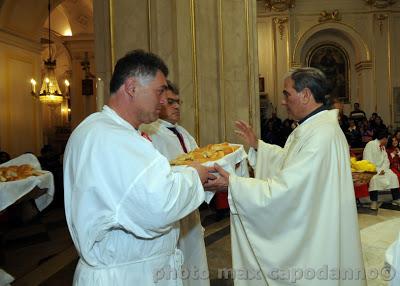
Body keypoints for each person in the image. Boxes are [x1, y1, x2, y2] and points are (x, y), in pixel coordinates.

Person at [63, 50, 216, 285]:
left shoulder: (95, 128)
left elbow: (133, 190)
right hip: (128, 275)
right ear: (132, 87)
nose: (164, 100)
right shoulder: (115, 138)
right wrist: (196, 175)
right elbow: (159, 205)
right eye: (159, 91)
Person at [206, 67, 366, 286]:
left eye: (287, 94)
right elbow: (290, 164)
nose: (282, 101)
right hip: (317, 225)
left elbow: (288, 189)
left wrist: (233, 185)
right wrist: (259, 147)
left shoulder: (321, 134)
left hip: (315, 239)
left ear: (306, 95)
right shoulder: (314, 127)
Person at [140, 80, 209, 286]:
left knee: (193, 264)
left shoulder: (182, 132)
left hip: (190, 212)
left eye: (178, 102)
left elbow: (199, 160)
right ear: (159, 102)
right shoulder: (149, 133)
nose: (177, 106)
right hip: (169, 216)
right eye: (171, 102)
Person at [363, 130, 400, 210]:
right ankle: (374, 201)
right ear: (384, 139)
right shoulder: (370, 144)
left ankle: (396, 199)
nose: (387, 141)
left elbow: (386, 160)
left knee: (393, 176)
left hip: (383, 170)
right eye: (387, 139)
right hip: (372, 170)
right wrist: (378, 170)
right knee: (374, 179)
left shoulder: (382, 147)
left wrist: (383, 170)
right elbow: (367, 160)